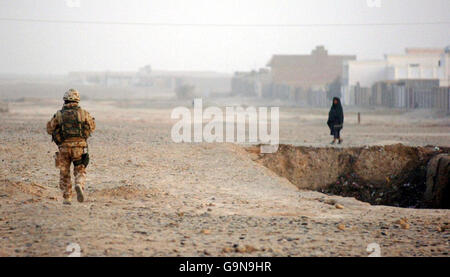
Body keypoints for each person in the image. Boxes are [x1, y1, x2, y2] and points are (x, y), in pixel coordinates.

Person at [46, 89, 96, 205]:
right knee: (80, 169)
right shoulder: (83, 113)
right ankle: (79, 184)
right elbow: (92, 126)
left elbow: (49, 129)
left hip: (63, 147)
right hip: (79, 146)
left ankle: (67, 197)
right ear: (77, 100)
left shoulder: (59, 114)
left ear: (65, 100)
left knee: (64, 172)